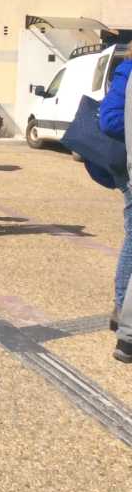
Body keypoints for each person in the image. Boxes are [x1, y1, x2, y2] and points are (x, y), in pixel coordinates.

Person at [100, 46, 132, 361]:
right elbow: (110, 121)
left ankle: (123, 311)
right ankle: (123, 310)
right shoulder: (128, 71)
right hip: (127, 163)